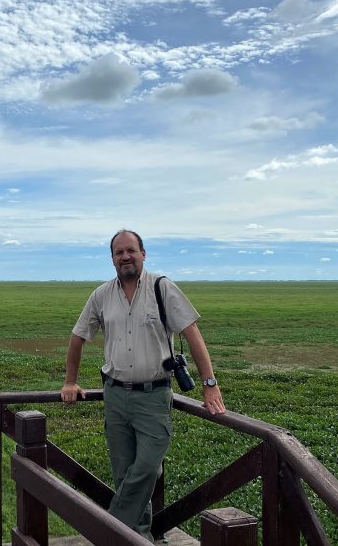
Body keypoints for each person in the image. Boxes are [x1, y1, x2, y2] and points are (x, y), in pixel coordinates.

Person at [61, 229, 225, 541]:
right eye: (119, 252)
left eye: (130, 251)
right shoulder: (101, 295)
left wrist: (210, 384)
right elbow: (77, 337)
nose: (125, 257)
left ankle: (108, 534)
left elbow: (193, 335)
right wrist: (70, 382)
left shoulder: (162, 288)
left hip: (153, 396)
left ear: (143, 254)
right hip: (115, 395)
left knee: (148, 468)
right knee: (125, 475)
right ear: (112, 259)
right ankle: (140, 536)